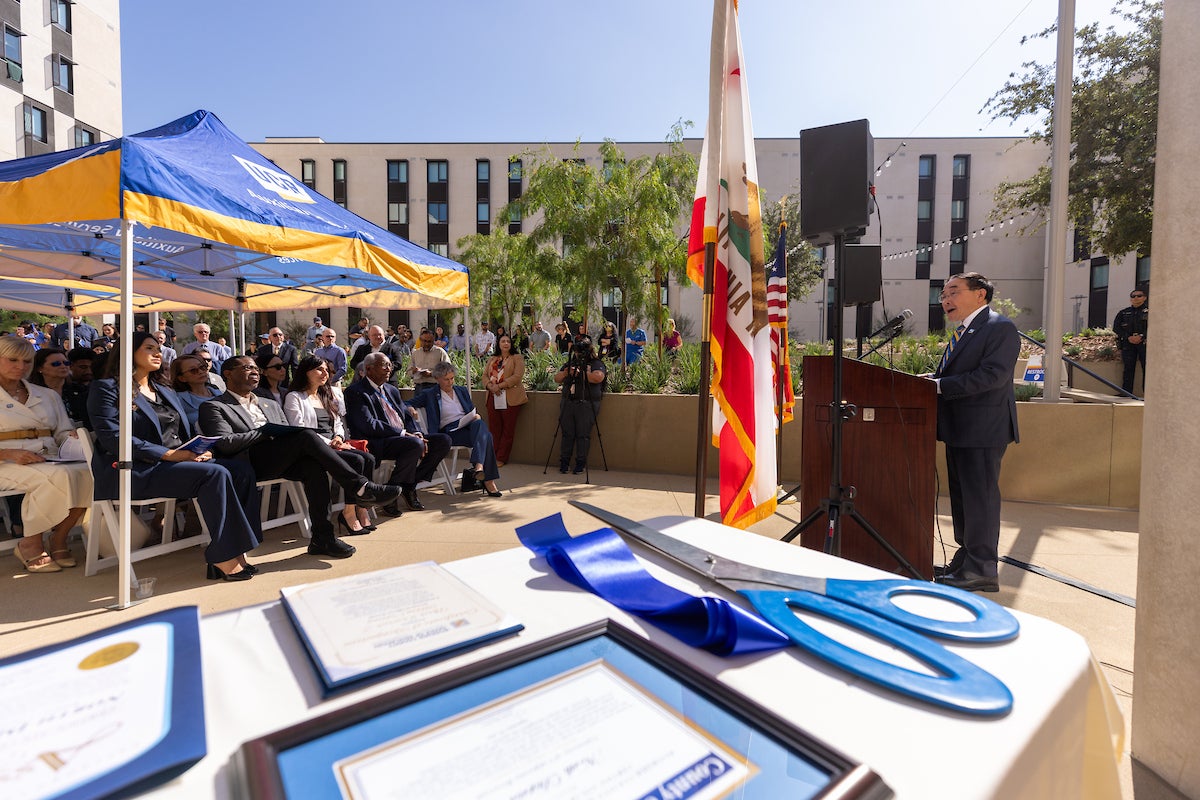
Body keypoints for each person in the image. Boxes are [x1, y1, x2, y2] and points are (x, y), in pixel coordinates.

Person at [88, 332, 262, 581]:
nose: (158, 353)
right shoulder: (107, 388)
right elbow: (113, 437)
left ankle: (237, 548)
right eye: (149, 348)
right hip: (134, 469)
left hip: (177, 463)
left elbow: (183, 431)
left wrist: (202, 451)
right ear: (128, 352)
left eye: (158, 348)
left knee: (241, 470)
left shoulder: (164, 390)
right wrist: (170, 455)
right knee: (214, 474)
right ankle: (223, 555)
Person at [198, 355, 400, 559]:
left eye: (256, 368)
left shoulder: (268, 403)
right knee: (306, 435)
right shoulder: (214, 406)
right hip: (251, 461)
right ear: (228, 374)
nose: (255, 372)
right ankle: (360, 487)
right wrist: (264, 432)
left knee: (313, 466)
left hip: (282, 458)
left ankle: (323, 538)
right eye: (247, 368)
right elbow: (225, 443)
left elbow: (287, 432)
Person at [931, 272, 1020, 593]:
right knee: (963, 500)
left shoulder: (999, 328)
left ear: (980, 294)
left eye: (953, 292)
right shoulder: (965, 331)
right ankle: (966, 558)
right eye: (943, 295)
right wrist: (931, 381)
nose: (946, 300)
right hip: (959, 429)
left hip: (983, 430)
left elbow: (992, 376)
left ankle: (982, 568)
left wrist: (939, 386)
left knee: (979, 500)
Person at [0, 336, 90, 573]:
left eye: (27, 361)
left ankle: (59, 537)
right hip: (5, 461)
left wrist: (73, 437)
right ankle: (30, 543)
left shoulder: (47, 395)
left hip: (49, 457)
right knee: (55, 477)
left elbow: (62, 431)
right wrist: (8, 453)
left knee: (91, 473)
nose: (21, 366)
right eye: (12, 360)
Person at [344, 352, 452, 514]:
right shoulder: (356, 392)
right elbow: (368, 424)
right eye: (384, 365)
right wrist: (403, 433)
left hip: (402, 438)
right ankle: (396, 491)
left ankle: (403, 487)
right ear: (369, 369)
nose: (389, 369)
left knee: (443, 441)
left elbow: (406, 416)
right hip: (377, 441)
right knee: (414, 444)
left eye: (390, 365)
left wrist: (416, 432)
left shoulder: (391, 390)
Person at [284, 356, 377, 535]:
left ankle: (360, 508)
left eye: (326, 369)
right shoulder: (294, 397)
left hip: (334, 445)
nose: (325, 373)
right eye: (319, 369)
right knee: (357, 460)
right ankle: (348, 513)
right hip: (314, 449)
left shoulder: (324, 395)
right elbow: (300, 430)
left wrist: (339, 438)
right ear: (306, 372)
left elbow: (338, 424)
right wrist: (331, 443)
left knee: (369, 458)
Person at [410, 362, 502, 496]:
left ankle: (479, 467)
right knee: (486, 436)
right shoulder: (429, 394)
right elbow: (404, 403)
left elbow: (470, 410)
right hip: (449, 433)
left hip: (467, 426)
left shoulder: (461, 391)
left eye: (452, 378)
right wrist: (410, 408)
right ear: (437, 379)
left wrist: (474, 416)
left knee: (479, 423)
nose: (450, 382)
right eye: (446, 379)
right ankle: (487, 479)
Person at [553, 337, 607, 474]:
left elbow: (598, 377)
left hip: (587, 403)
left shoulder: (596, 363)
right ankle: (564, 462)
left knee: (583, 434)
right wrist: (566, 373)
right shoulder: (570, 363)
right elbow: (557, 378)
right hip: (568, 401)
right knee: (567, 433)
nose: (578, 354)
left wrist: (581, 374)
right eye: (576, 351)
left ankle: (580, 463)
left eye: (580, 351)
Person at [484, 333, 527, 467]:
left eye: (508, 341)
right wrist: (490, 386)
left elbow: (517, 376)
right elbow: (484, 376)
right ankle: (492, 456)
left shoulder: (517, 358)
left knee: (508, 429)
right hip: (493, 396)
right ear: (498, 344)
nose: (506, 343)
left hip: (510, 397)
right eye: (503, 341)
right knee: (494, 428)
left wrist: (499, 386)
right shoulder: (492, 358)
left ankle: (501, 458)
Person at [172, 353, 224, 430]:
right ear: (182, 378)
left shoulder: (217, 392)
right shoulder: (178, 400)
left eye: (202, 367)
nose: (200, 372)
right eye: (193, 370)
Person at [1113, 287, 1149, 394]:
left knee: (1147, 368)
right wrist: (1128, 337)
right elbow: (1116, 328)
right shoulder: (1124, 313)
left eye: (1139, 296)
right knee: (1128, 368)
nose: (1136, 298)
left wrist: (1142, 336)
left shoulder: (1150, 312)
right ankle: (1126, 393)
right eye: (1133, 296)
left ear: (1145, 298)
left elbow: (1154, 326)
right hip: (1128, 343)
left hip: (1144, 343)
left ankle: (1147, 394)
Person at [62, 347, 97, 429]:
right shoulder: (62, 389)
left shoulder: (99, 388)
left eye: (91, 367)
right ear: (70, 366)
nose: (88, 371)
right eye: (83, 367)